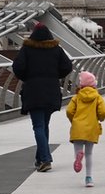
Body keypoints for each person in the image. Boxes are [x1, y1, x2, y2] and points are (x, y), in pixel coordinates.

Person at [12, 22, 73, 172]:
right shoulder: (56, 49)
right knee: (44, 125)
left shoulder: (27, 49)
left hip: (33, 91)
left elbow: (17, 67)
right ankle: (40, 159)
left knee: (38, 126)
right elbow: (67, 67)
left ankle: (45, 159)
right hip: (51, 90)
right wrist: (54, 76)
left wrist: (28, 77)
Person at [66, 71, 105, 188]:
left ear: (81, 84)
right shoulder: (97, 97)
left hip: (78, 128)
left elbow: (69, 111)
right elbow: (103, 111)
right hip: (92, 127)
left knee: (79, 151)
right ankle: (89, 178)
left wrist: (73, 120)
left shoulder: (76, 97)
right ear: (94, 84)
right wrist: (100, 118)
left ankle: (78, 156)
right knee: (89, 154)